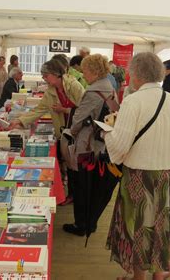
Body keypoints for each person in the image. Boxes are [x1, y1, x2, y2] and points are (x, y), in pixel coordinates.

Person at [103, 52, 170, 280]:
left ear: (136, 74)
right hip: (169, 175)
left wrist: (106, 133)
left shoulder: (132, 101)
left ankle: (139, 277)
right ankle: (160, 274)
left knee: (138, 227)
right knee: (163, 226)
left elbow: (120, 146)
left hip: (139, 175)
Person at [62, 54, 116, 236]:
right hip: (101, 144)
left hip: (86, 145)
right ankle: (90, 222)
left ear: (93, 71)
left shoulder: (93, 93)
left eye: (84, 71)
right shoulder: (110, 88)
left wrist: (71, 133)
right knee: (93, 186)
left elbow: (77, 121)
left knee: (81, 186)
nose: (83, 75)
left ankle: (81, 224)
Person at [9, 59, 84, 139]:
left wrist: (65, 110)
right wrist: (19, 120)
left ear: (56, 73)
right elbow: (38, 110)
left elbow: (86, 110)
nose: (44, 79)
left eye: (46, 76)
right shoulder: (50, 91)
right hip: (64, 133)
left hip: (79, 132)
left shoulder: (74, 86)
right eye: (43, 76)